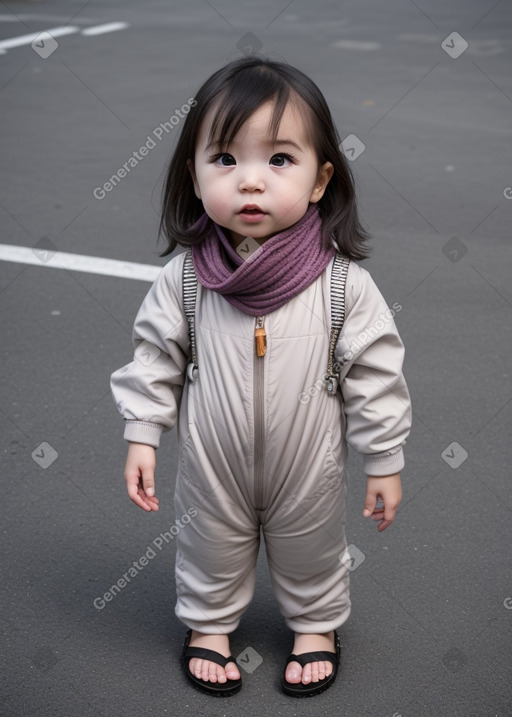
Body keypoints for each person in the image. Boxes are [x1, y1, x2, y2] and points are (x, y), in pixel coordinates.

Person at [110, 56, 411, 698]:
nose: (250, 181)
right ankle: (209, 627)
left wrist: (383, 457)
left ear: (320, 178)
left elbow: (376, 374)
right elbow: (154, 357)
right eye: (224, 158)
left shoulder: (341, 285)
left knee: (313, 545)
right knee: (209, 541)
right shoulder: (188, 280)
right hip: (214, 461)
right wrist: (142, 432)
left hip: (308, 463)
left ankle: (316, 627)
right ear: (192, 175)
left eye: (279, 160)